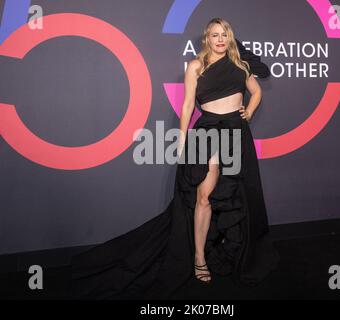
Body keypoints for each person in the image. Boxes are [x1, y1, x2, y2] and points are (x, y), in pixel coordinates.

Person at [70, 17, 279, 300]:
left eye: (224, 35)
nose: (219, 39)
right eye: (214, 35)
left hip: (236, 132)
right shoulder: (196, 66)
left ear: (229, 38)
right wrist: (182, 136)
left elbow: (255, 93)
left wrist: (249, 111)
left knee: (235, 195)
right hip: (208, 132)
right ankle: (199, 258)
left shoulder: (240, 65)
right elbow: (188, 104)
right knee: (204, 196)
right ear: (207, 38)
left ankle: (229, 249)